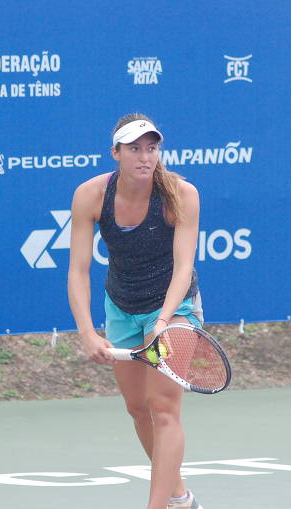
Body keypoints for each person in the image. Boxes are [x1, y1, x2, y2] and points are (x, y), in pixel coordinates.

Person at [67, 113, 204, 509]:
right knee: (138, 408)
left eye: (152, 148)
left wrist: (163, 322)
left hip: (174, 308)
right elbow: (78, 269)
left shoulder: (182, 194)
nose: (145, 157)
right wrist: (87, 332)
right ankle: (181, 496)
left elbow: (183, 267)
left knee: (163, 408)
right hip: (122, 307)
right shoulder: (90, 196)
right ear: (116, 153)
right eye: (134, 149)